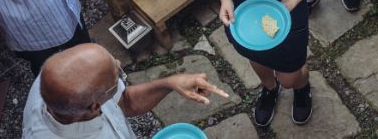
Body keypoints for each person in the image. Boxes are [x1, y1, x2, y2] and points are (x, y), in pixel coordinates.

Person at [22, 43, 229, 138]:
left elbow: (126, 102)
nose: (120, 62)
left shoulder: (53, 77)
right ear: (95, 106)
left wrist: (170, 83)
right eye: (117, 72)